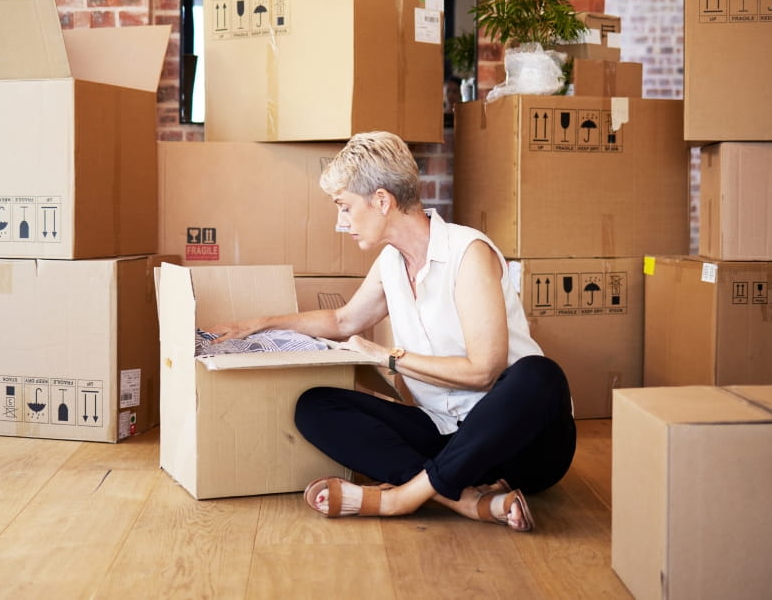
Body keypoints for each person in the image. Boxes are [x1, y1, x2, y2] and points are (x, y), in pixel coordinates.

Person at [206, 131, 577, 531]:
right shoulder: (391, 262)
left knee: (540, 374)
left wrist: (387, 358)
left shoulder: (467, 253)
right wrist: (257, 325)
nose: (340, 222)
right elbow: (343, 321)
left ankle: (402, 497)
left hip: (521, 443)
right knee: (315, 407)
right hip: (446, 434)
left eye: (345, 208)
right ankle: (465, 500)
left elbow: (483, 371)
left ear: (382, 201)